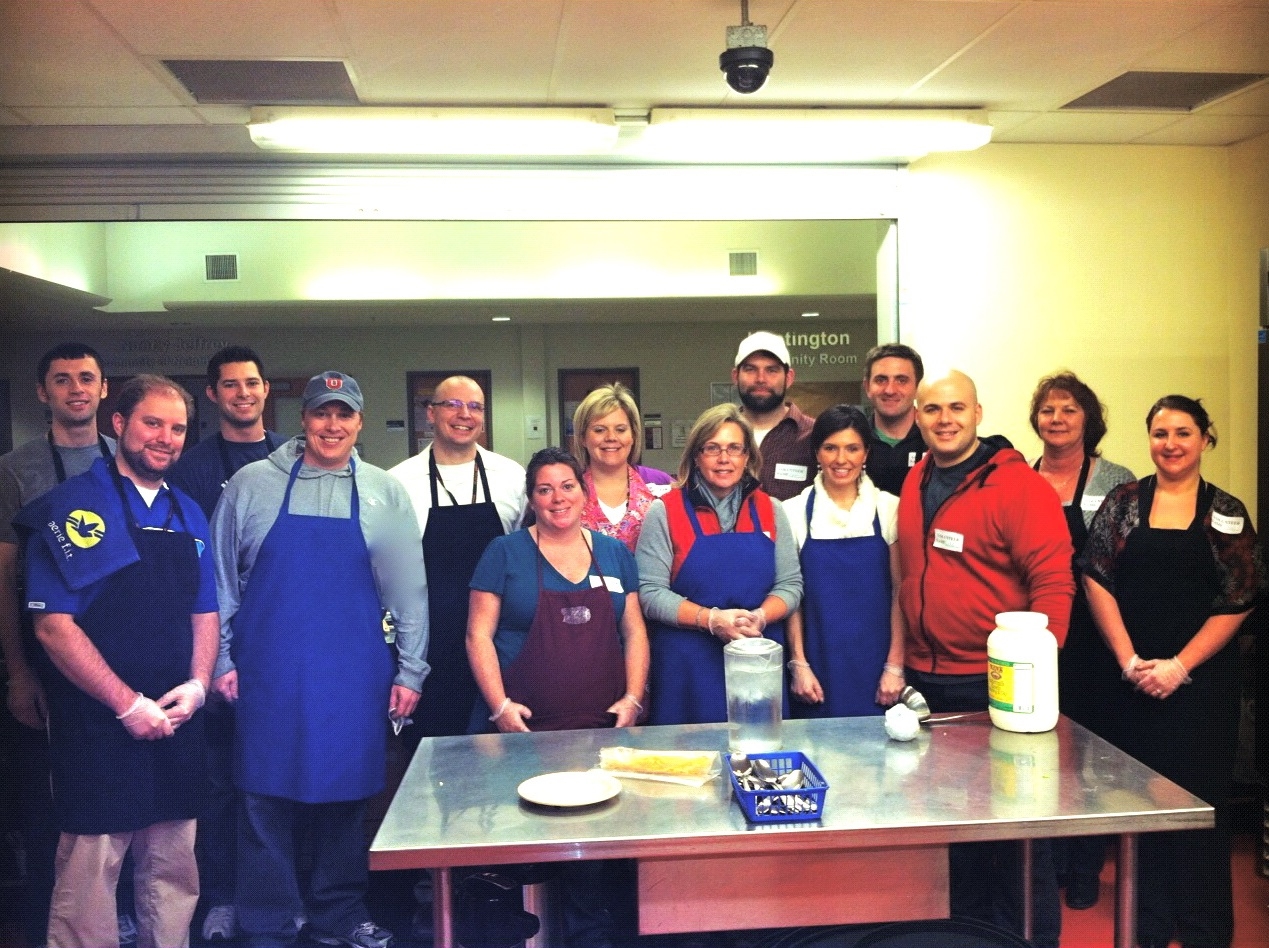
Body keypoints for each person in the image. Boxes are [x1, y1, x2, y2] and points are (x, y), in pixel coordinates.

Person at [211, 371, 427, 948]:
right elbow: (221, 585)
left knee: (349, 797)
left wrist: (411, 670)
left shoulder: (385, 492)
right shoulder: (251, 485)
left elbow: (410, 593)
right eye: (321, 414)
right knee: (263, 797)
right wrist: (220, 662)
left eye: (344, 415)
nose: (332, 425)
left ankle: (339, 913)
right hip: (267, 672)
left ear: (359, 423)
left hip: (353, 674)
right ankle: (268, 919)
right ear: (302, 419)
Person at [15, 374, 218, 948]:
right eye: (153, 423)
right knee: (89, 874)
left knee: (174, 870)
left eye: (177, 428)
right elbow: (54, 626)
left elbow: (205, 610)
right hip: (97, 722)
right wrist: (126, 704)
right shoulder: (76, 507)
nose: (166, 438)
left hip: (177, 718)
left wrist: (199, 685)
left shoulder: (189, 513)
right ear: (119, 424)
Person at [896, 369, 1073, 948]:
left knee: (1018, 834)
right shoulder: (916, 479)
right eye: (931, 410)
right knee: (953, 830)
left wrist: (1035, 678)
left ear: (977, 413)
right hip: (931, 683)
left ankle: (1032, 938)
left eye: (955, 408)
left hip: (998, 686)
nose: (943, 419)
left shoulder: (1019, 487)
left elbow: (1053, 585)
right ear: (917, 417)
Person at [1083, 395, 1263, 948]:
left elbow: (1240, 597)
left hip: (1201, 686)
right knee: (1141, 806)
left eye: (1183, 433)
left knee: (1199, 808)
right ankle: (1147, 924)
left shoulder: (1225, 510)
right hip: (1135, 680)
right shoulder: (1124, 501)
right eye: (1160, 433)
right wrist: (1129, 660)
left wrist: (1180, 667)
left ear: (1205, 438)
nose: (1171, 444)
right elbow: (1095, 574)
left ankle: (1205, 929)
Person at [467, 446, 649, 947]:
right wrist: (500, 706)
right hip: (525, 735)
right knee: (528, 850)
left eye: (567, 485)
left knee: (595, 863)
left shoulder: (614, 553)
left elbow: (633, 631)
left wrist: (633, 697)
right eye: (544, 489)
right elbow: (477, 635)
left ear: (583, 490)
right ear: (531, 498)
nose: (557, 497)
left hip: (599, 731)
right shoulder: (503, 553)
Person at [0, 343, 115, 948]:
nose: (76, 389)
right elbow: (4, 579)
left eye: (87, 379)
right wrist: (20, 671)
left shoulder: (125, 460)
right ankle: (55, 925)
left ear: (103, 391)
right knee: (54, 801)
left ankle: (111, 916)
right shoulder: (16, 470)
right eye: (62, 380)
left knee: (116, 794)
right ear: (43, 393)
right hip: (46, 657)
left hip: (120, 658)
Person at [168, 345, 282, 942]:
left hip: (281, 643)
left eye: (253, 383)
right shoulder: (189, 467)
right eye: (231, 385)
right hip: (211, 644)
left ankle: (280, 900)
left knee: (276, 780)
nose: (243, 393)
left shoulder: (292, 458)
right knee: (218, 779)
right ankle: (219, 899)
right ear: (212, 395)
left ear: (267, 391)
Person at [1028, 370, 1134, 911]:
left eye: (1069, 410)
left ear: (1088, 420)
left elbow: (1127, 563)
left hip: (1095, 639)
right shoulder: (1021, 478)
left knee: (1091, 756)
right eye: (1048, 410)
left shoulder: (1117, 480)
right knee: (1042, 753)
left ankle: (1086, 862)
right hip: (1037, 639)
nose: (1058, 420)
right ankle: (1044, 862)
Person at [636, 403, 802, 725]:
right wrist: (710, 619)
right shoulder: (665, 511)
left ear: (748, 457)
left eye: (734, 448)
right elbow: (650, 592)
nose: (724, 459)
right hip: (686, 667)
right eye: (712, 448)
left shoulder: (772, 510)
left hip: (756, 659)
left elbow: (790, 584)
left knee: (759, 760)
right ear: (696, 455)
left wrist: (760, 616)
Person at [390, 375, 525, 739]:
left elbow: (526, 559)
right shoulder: (399, 482)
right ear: (430, 414)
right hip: (431, 647)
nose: (464, 414)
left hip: (502, 644)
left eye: (475, 406)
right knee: (436, 756)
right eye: (453, 404)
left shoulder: (513, 477)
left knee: (506, 754)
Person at [782, 405, 905, 717]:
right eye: (830, 448)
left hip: (878, 666)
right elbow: (791, 598)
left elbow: (900, 593)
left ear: (866, 453)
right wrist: (799, 665)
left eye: (852, 448)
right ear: (816, 453)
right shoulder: (793, 512)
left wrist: (895, 665)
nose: (841, 459)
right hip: (817, 667)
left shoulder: (889, 508)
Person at [571, 382, 673, 552]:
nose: (611, 437)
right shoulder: (569, 489)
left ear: (633, 435)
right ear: (583, 437)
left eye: (620, 429)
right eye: (599, 430)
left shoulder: (661, 484)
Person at [732, 330, 816, 501]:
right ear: (735, 376)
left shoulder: (815, 435)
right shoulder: (715, 435)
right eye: (750, 369)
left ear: (789, 377)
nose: (761, 379)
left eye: (772, 370)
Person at [860, 343, 927, 495]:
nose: (890, 390)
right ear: (867, 387)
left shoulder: (936, 440)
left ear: (918, 387)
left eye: (901, 380)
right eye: (881, 380)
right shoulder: (854, 441)